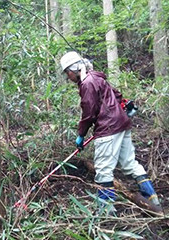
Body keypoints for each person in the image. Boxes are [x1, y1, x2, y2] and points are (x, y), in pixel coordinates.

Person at [60, 51, 160, 211]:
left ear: (73, 70)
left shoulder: (87, 83)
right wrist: (122, 107)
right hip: (121, 123)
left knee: (103, 170)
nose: (68, 77)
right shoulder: (96, 77)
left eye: (67, 73)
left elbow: (89, 112)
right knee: (129, 163)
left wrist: (81, 134)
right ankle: (152, 198)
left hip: (108, 128)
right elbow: (116, 95)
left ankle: (106, 212)